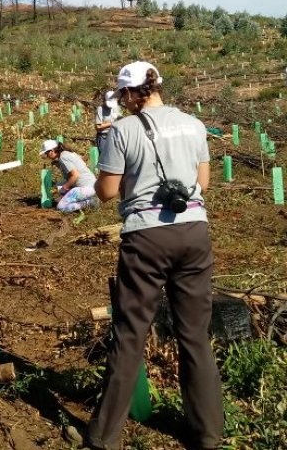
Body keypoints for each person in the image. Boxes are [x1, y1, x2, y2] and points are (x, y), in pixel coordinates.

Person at [87, 61, 222, 450]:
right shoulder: (194, 124)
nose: (123, 102)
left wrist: (109, 150)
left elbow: (107, 191)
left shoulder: (122, 131)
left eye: (123, 95)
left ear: (131, 94)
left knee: (130, 336)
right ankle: (208, 434)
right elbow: (204, 183)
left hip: (146, 238)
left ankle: (103, 437)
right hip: (194, 233)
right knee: (195, 335)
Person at [40, 140, 98, 212]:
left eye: (47, 153)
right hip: (94, 187)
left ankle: (89, 203)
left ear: (51, 151)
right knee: (60, 185)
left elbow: (75, 175)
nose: (47, 156)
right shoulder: (69, 153)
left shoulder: (63, 157)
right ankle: (89, 200)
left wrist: (65, 188)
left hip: (85, 189)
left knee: (61, 207)